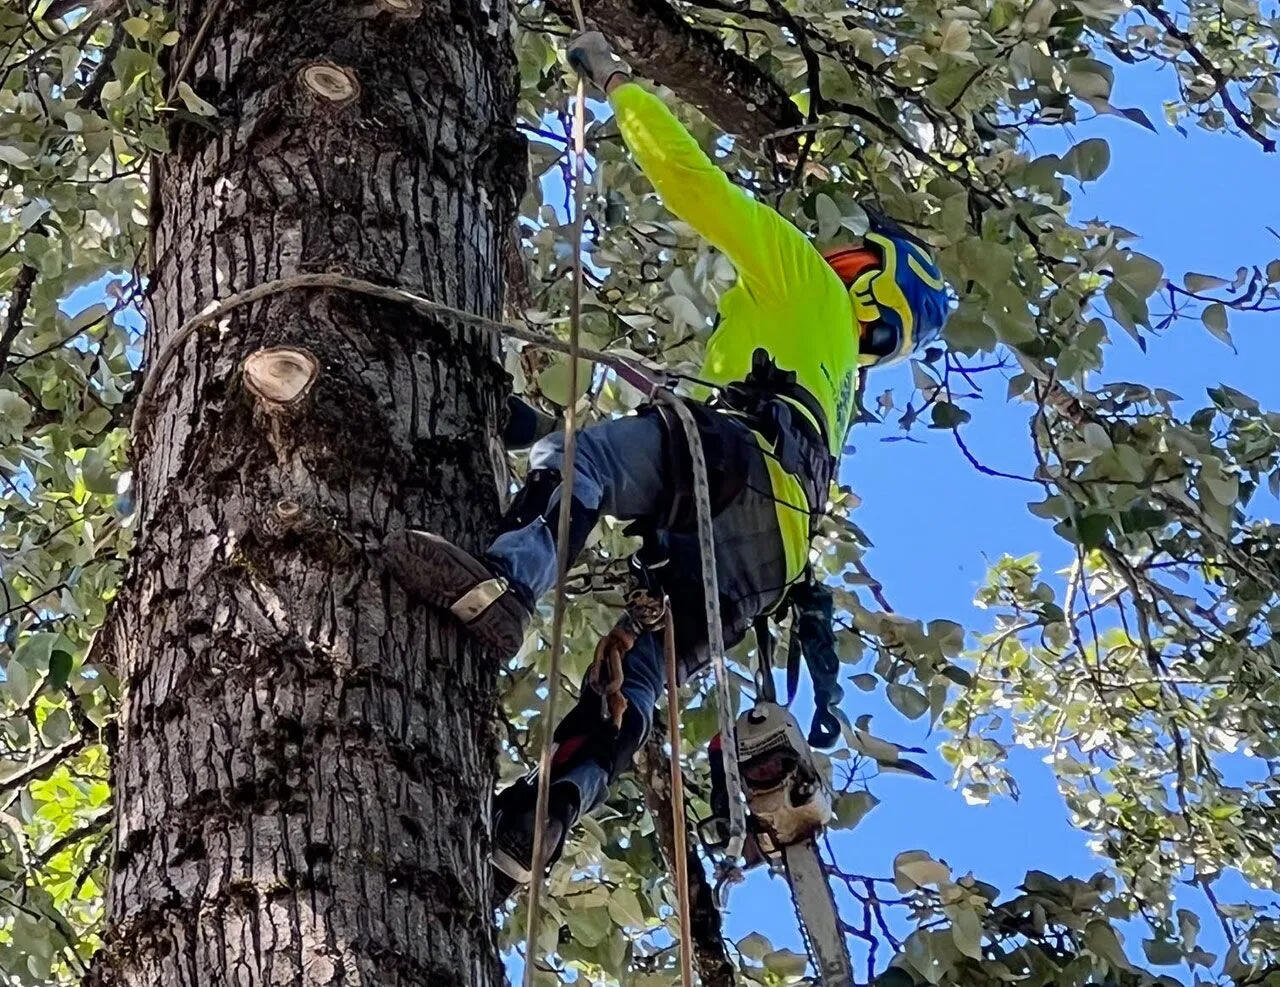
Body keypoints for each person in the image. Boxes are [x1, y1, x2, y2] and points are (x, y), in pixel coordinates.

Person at [384, 30, 949, 896]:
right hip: (767, 555)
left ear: (869, 275)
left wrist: (614, 83)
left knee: (588, 459)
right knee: (640, 667)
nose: (833, 244)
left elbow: (694, 184)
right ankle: (541, 818)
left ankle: (509, 582)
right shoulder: (833, 378)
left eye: (851, 248)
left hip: (737, 462)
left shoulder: (808, 282)